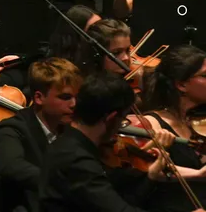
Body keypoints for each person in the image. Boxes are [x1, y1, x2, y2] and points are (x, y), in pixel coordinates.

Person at [38, 73, 203, 212]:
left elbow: (126, 200)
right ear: (110, 118)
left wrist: (150, 177)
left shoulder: (75, 146)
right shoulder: (75, 159)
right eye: (122, 120)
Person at [0, 57, 82, 212]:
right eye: (65, 97)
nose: (74, 104)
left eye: (77, 97)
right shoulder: (12, 128)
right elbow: (10, 165)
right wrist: (62, 183)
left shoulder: (72, 129)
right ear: (39, 98)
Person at [132, 45, 206, 212]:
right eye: (205, 76)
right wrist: (199, 174)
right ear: (181, 85)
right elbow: (146, 172)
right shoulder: (152, 123)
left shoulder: (201, 120)